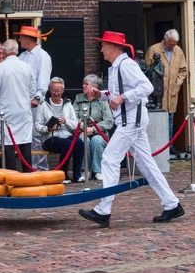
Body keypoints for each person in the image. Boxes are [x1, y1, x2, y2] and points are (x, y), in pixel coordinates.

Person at [79, 31, 184, 227]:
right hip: (131, 121)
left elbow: (147, 87)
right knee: (146, 165)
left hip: (131, 121)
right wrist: (101, 94)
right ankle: (172, 204)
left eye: (103, 46)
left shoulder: (126, 65)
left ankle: (104, 209)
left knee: (110, 159)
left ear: (112, 47)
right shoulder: (117, 67)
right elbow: (117, 92)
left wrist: (122, 98)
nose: (101, 49)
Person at [0, 39, 36, 172]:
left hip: (6, 112)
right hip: (24, 111)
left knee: (8, 145)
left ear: (4, 51)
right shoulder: (27, 67)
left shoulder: (0, 68)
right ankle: (28, 177)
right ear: (16, 51)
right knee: (25, 145)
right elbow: (32, 90)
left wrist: (0, 102)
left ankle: (12, 177)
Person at [14, 26, 53, 171]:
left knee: (37, 135)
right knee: (25, 135)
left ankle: (40, 168)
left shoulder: (42, 56)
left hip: (34, 103)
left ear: (29, 39)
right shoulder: (22, 56)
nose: (19, 40)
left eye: (21, 37)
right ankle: (29, 166)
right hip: (23, 102)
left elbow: (43, 79)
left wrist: (38, 97)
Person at [145, 29, 187, 156]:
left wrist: (178, 82)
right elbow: (148, 69)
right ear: (165, 39)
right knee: (158, 118)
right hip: (158, 90)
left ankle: (170, 145)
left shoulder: (178, 51)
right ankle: (160, 146)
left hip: (172, 91)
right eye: (170, 44)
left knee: (170, 118)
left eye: (174, 44)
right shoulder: (154, 50)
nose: (172, 46)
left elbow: (183, 69)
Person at [35, 77, 84, 183]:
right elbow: (37, 126)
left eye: (58, 90)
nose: (56, 93)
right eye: (53, 90)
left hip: (65, 133)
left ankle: (77, 174)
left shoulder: (68, 103)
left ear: (62, 91)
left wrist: (66, 121)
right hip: (49, 137)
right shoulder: (43, 104)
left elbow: (75, 124)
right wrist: (48, 128)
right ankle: (62, 175)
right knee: (66, 144)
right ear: (49, 90)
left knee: (79, 143)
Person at [73, 74, 114, 182]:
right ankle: (85, 171)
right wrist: (83, 129)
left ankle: (98, 171)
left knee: (96, 141)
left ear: (94, 87)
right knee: (83, 140)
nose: (83, 86)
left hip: (100, 133)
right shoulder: (78, 99)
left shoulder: (103, 101)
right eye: (83, 83)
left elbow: (109, 121)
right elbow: (73, 118)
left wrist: (94, 129)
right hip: (82, 132)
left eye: (86, 84)